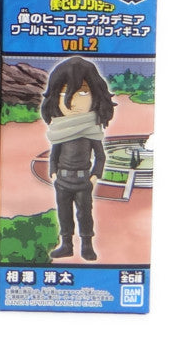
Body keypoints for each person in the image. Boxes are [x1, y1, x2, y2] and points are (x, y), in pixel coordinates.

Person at [40, 57, 115, 261]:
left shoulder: (92, 131)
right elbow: (54, 154)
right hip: (62, 181)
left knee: (85, 214)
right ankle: (66, 245)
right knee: (64, 214)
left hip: (83, 181)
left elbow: (100, 156)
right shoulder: (60, 130)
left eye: (83, 93)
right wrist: (54, 173)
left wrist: (94, 176)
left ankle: (87, 245)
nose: (72, 101)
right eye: (64, 93)